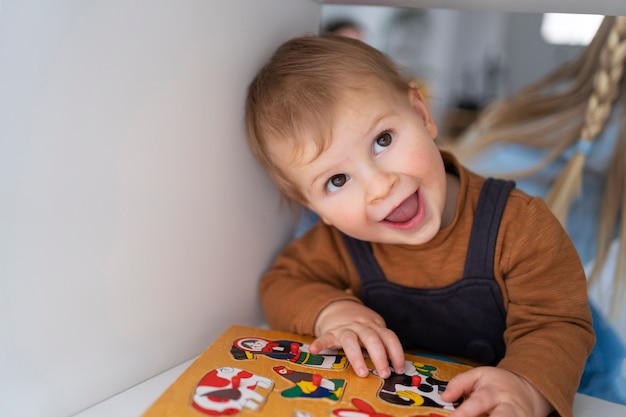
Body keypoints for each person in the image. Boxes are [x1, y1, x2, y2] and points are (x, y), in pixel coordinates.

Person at [245, 35, 594, 417]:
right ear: (314, 208)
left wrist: (526, 387)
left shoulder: (521, 226)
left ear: (422, 115)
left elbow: (557, 323)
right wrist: (333, 312)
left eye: (383, 140)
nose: (380, 186)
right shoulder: (340, 241)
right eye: (338, 181)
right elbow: (281, 282)